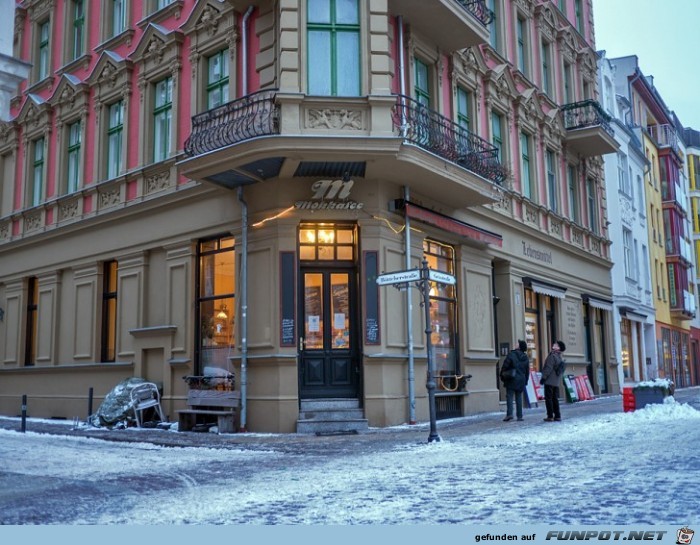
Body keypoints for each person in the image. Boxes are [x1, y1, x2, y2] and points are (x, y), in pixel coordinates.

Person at [500, 340, 530, 422]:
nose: (515, 344)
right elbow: (527, 371)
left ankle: (509, 414)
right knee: (519, 397)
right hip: (521, 380)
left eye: (517, 343)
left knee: (509, 396)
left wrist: (502, 375)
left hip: (511, 378)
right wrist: (526, 380)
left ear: (519, 346)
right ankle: (519, 416)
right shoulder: (525, 357)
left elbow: (505, 366)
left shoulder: (511, 355)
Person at [541, 340, 566, 422]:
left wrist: (543, 378)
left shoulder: (552, 356)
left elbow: (548, 368)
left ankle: (550, 415)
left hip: (549, 381)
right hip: (556, 382)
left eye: (556, 344)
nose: (554, 344)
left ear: (558, 348)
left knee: (548, 399)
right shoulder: (560, 356)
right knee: (554, 398)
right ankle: (557, 415)